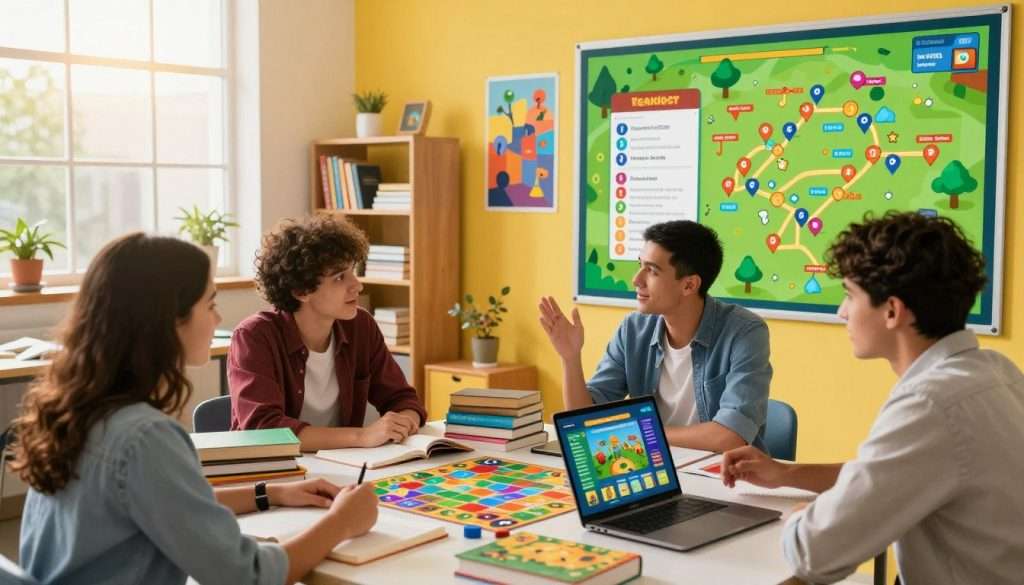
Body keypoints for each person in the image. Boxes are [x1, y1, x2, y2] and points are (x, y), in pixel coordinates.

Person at [12, 233, 379, 585]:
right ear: (168, 321)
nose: (217, 320)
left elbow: (170, 505)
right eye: (211, 304)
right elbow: (249, 576)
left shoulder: (80, 410)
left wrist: (272, 493)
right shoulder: (146, 439)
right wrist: (342, 522)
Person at [722, 212, 1024, 584]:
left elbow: (813, 554)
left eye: (850, 296)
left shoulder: (929, 405)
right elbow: (891, 475)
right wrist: (786, 474)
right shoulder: (996, 371)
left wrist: (801, 517)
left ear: (892, 311)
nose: (841, 312)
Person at [539, 220, 772, 452]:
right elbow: (584, 421)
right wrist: (570, 358)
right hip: (652, 463)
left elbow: (729, 437)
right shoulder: (634, 329)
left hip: (720, 470)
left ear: (689, 285)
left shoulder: (745, 332)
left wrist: (638, 433)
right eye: (640, 265)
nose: (636, 280)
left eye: (652, 270)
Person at [229, 216, 426, 450]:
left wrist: (405, 421)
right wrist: (362, 437)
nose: (358, 285)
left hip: (343, 464)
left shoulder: (361, 326)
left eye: (353, 271)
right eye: (339, 277)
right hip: (276, 467)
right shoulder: (254, 337)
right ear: (301, 291)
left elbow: (402, 398)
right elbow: (264, 430)